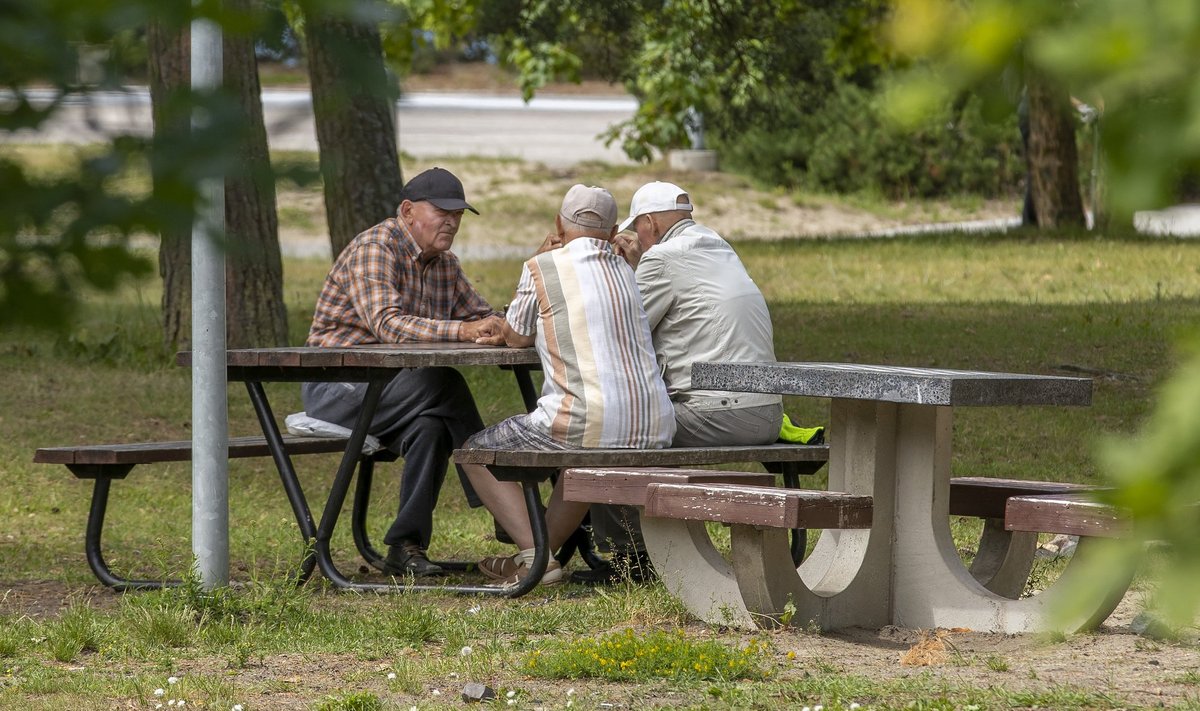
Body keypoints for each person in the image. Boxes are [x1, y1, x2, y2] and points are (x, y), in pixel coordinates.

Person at [458, 184, 676, 587]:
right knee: (582, 462)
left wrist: (536, 267)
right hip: (655, 422)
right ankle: (539, 563)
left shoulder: (542, 266)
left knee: (474, 454)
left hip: (589, 420)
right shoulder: (627, 268)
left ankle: (534, 556)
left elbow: (518, 335)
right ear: (612, 233)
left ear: (558, 224)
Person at [575, 180, 784, 585]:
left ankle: (629, 559)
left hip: (718, 414)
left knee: (611, 435)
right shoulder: (719, 246)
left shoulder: (662, 259)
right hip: (766, 414)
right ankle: (621, 547)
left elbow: (619, 329)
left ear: (649, 223)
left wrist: (630, 266)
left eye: (637, 229)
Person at [301, 167, 506, 578]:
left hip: (395, 390)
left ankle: (405, 547)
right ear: (408, 210)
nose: (452, 221)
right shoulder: (376, 247)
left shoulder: (445, 264)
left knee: (432, 423)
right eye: (442, 211)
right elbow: (388, 325)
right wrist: (465, 331)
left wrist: (505, 323)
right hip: (338, 388)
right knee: (441, 383)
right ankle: (504, 506)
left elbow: (483, 316)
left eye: (459, 214)